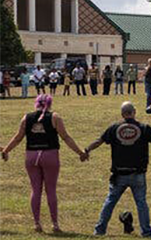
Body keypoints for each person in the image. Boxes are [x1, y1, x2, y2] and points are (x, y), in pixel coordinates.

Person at [84, 101, 151, 237]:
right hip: (137, 172)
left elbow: (99, 141)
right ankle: (146, 232)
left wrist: (86, 150)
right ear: (134, 112)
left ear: (122, 114)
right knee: (141, 203)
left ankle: (99, 230)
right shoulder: (144, 128)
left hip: (119, 172)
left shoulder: (114, 127)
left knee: (110, 201)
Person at [1, 95, 87, 233]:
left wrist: (6, 151)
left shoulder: (26, 118)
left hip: (31, 156)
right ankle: (55, 224)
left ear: (36, 104)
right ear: (50, 104)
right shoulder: (55, 117)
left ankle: (36, 223)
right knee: (51, 190)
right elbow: (65, 137)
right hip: (50, 155)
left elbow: (18, 138)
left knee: (35, 190)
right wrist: (80, 152)